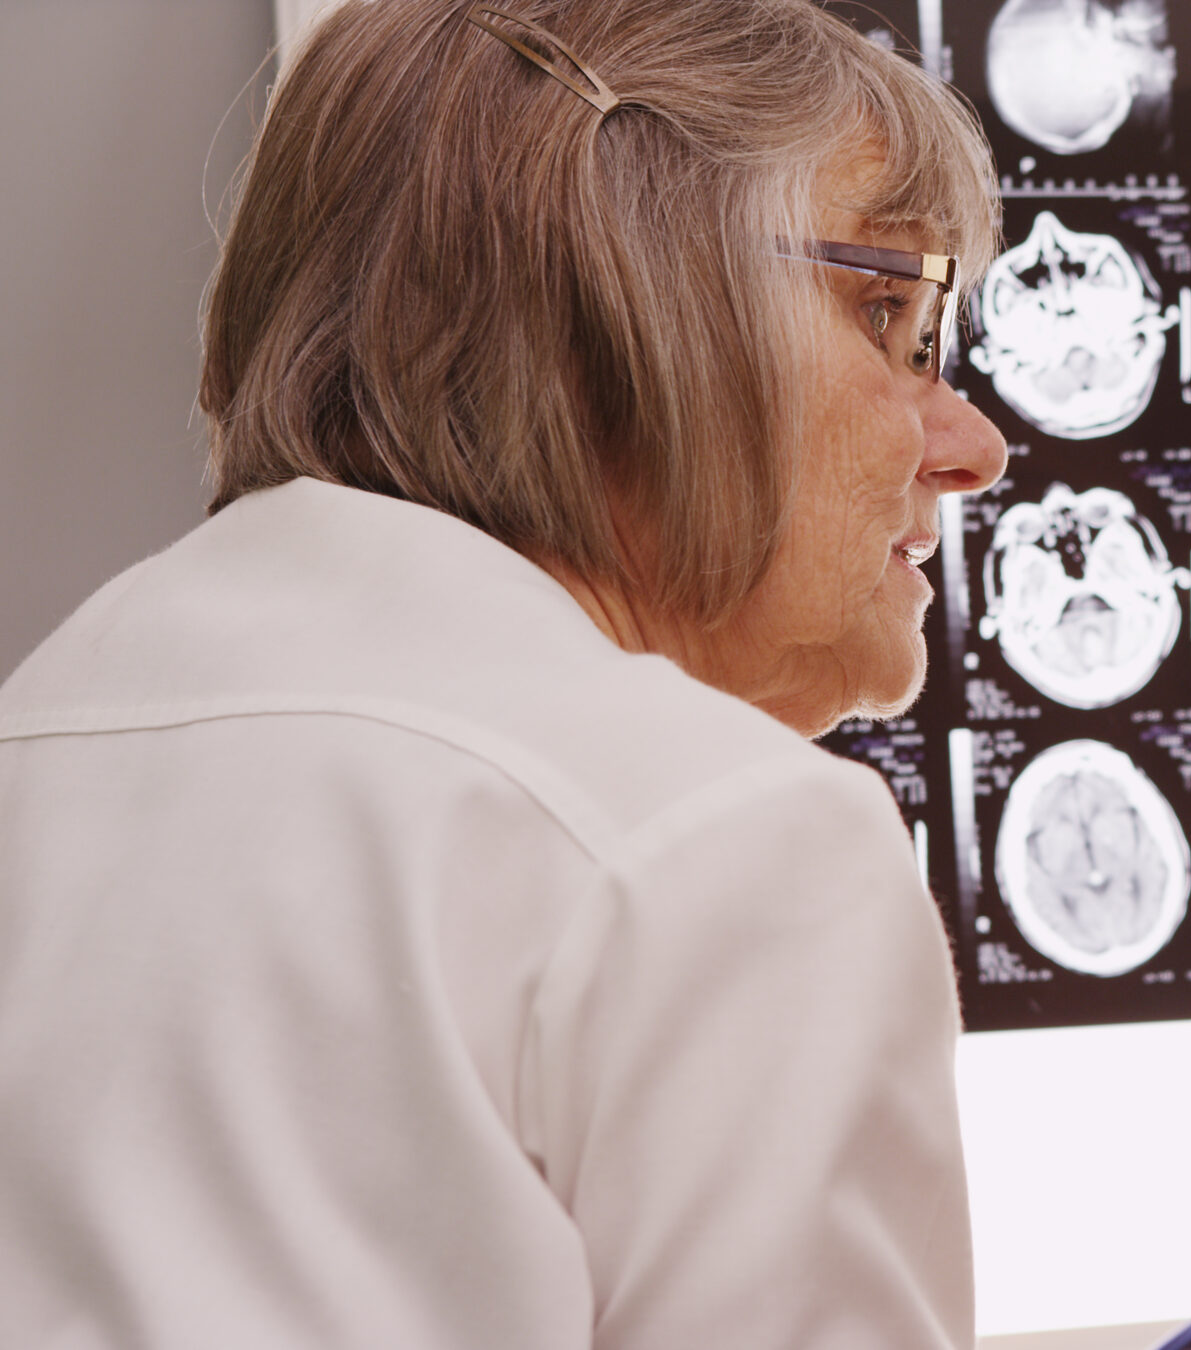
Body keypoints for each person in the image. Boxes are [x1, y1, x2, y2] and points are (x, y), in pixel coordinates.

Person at [0, 2, 1006, 1346]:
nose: (974, 445)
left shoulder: (44, 729)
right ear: (625, 317)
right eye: (892, 314)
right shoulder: (721, 844)